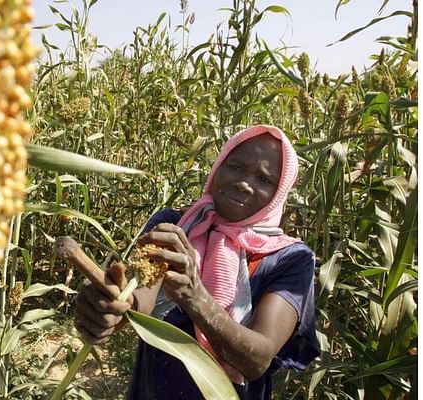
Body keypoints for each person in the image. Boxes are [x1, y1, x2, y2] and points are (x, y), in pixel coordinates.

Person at [73, 125, 320, 399]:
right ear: (217, 167)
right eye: (236, 167)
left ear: (280, 192)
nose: (244, 183)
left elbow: (256, 359)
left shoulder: (289, 257)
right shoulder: (175, 226)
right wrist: (111, 306)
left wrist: (195, 296)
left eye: (264, 179)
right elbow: (141, 295)